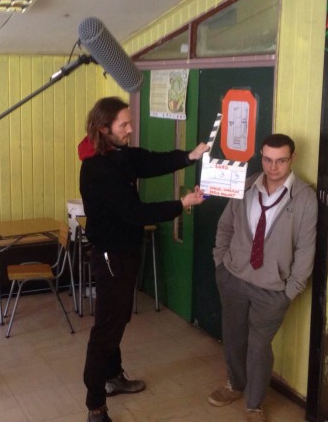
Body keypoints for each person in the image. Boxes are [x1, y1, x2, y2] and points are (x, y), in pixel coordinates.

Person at [78, 96, 209, 422]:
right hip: (110, 257)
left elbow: (149, 162)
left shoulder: (118, 153)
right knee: (107, 327)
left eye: (130, 122)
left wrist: (189, 156)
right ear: (104, 128)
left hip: (125, 253)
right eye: (124, 124)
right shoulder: (98, 168)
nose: (131, 129)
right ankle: (95, 404)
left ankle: (113, 376)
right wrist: (182, 203)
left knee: (118, 318)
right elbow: (135, 213)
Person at [208, 134, 317, 422]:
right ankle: (235, 383)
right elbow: (225, 226)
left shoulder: (304, 197)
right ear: (261, 156)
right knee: (232, 336)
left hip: (273, 290)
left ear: (291, 158)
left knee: (258, 346)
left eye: (280, 160)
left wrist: (291, 290)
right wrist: (221, 262)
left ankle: (254, 403)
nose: (273, 167)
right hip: (233, 278)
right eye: (267, 159)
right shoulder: (246, 184)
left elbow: (306, 249)